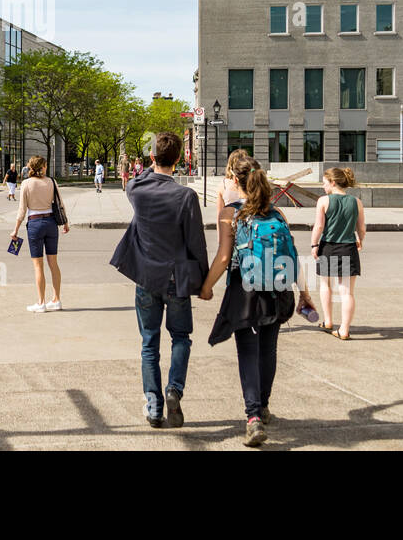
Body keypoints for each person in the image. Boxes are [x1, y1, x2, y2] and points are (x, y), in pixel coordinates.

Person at [200, 153, 316, 447]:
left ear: (235, 181)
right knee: (268, 350)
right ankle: (262, 408)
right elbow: (292, 254)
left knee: (248, 353)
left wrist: (206, 286)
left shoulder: (231, 212)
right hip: (279, 290)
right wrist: (304, 293)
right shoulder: (277, 213)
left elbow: (224, 256)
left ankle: (252, 418)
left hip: (247, 292)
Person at [110, 131, 207, 429]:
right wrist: (203, 281)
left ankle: (153, 404)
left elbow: (136, 178)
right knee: (181, 338)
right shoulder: (186, 196)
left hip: (146, 278)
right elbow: (196, 243)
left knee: (149, 343)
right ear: (178, 160)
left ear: (152, 158)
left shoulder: (137, 190)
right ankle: (174, 388)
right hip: (176, 278)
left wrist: (151, 163)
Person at [311, 167, 366, 338]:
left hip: (328, 247)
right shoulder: (356, 202)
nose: (323, 186)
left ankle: (328, 321)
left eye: (324, 183)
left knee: (325, 285)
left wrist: (314, 244)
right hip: (348, 247)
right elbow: (361, 228)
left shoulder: (323, 201)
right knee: (347, 292)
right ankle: (344, 330)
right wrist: (360, 240)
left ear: (333, 183)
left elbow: (319, 226)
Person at [10, 156, 69, 313]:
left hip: (35, 224)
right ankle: (56, 300)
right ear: (42, 167)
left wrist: (15, 230)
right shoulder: (51, 181)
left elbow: (22, 209)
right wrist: (65, 222)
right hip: (51, 223)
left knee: (38, 266)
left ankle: (41, 302)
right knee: (53, 263)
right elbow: (60, 203)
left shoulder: (26, 184)